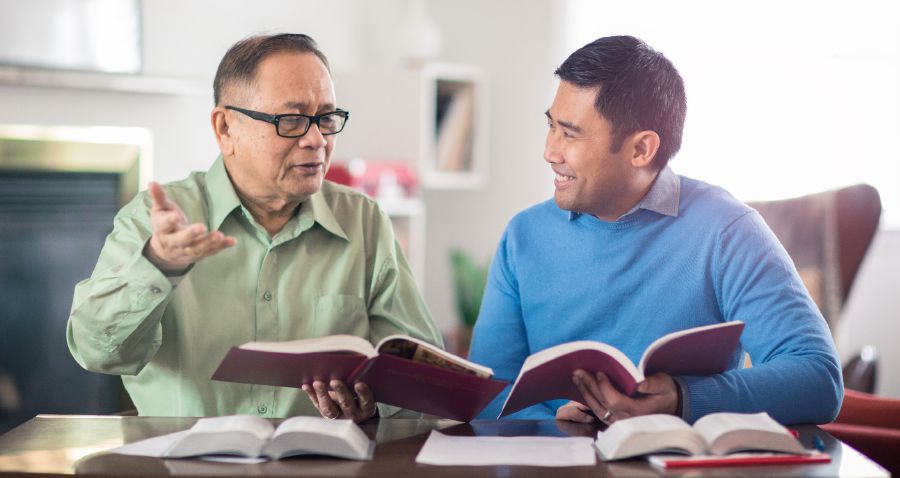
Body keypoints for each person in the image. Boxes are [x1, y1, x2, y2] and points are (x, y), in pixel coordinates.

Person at [67, 34, 442, 423]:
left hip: (323, 463)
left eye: (326, 118)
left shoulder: (364, 221)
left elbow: (422, 375)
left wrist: (373, 402)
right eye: (292, 120)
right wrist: (158, 264)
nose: (316, 140)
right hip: (185, 464)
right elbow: (96, 352)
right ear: (225, 128)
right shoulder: (154, 220)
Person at [468, 35, 842, 425]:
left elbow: (818, 378)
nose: (550, 151)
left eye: (570, 133)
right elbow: (489, 390)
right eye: (551, 126)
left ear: (642, 150)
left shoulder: (727, 230)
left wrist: (682, 398)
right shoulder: (523, 236)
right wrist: (553, 416)